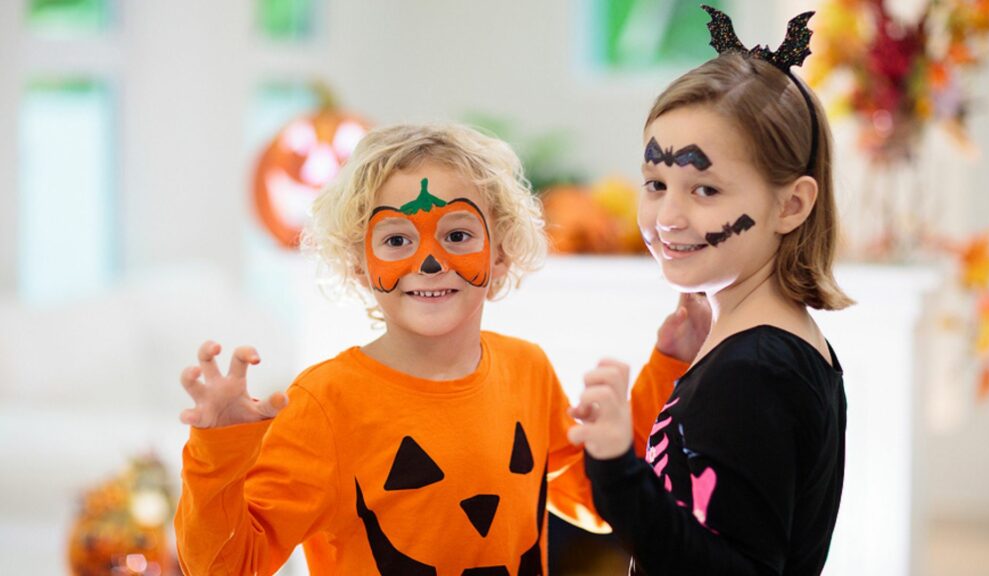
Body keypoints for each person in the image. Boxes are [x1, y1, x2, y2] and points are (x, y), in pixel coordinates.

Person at [174, 123, 700, 575]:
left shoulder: (527, 371)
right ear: (360, 264)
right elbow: (228, 565)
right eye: (397, 240)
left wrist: (669, 366)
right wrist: (218, 454)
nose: (430, 262)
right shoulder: (325, 404)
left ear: (501, 255)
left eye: (458, 234)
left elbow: (605, 498)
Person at [567, 6, 853, 576]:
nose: (667, 217)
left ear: (792, 204)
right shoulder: (767, 347)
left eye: (705, 189)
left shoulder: (755, 370)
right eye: (655, 183)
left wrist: (617, 469)